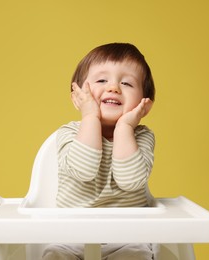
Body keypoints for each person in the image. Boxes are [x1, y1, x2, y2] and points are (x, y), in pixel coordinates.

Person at [42, 43, 158, 260]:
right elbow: (83, 171)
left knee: (137, 256)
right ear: (77, 95)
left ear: (145, 104)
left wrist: (125, 127)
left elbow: (130, 181)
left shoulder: (142, 136)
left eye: (126, 83)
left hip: (128, 238)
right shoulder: (68, 132)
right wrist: (89, 118)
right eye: (101, 80)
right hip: (70, 236)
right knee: (54, 255)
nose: (113, 87)